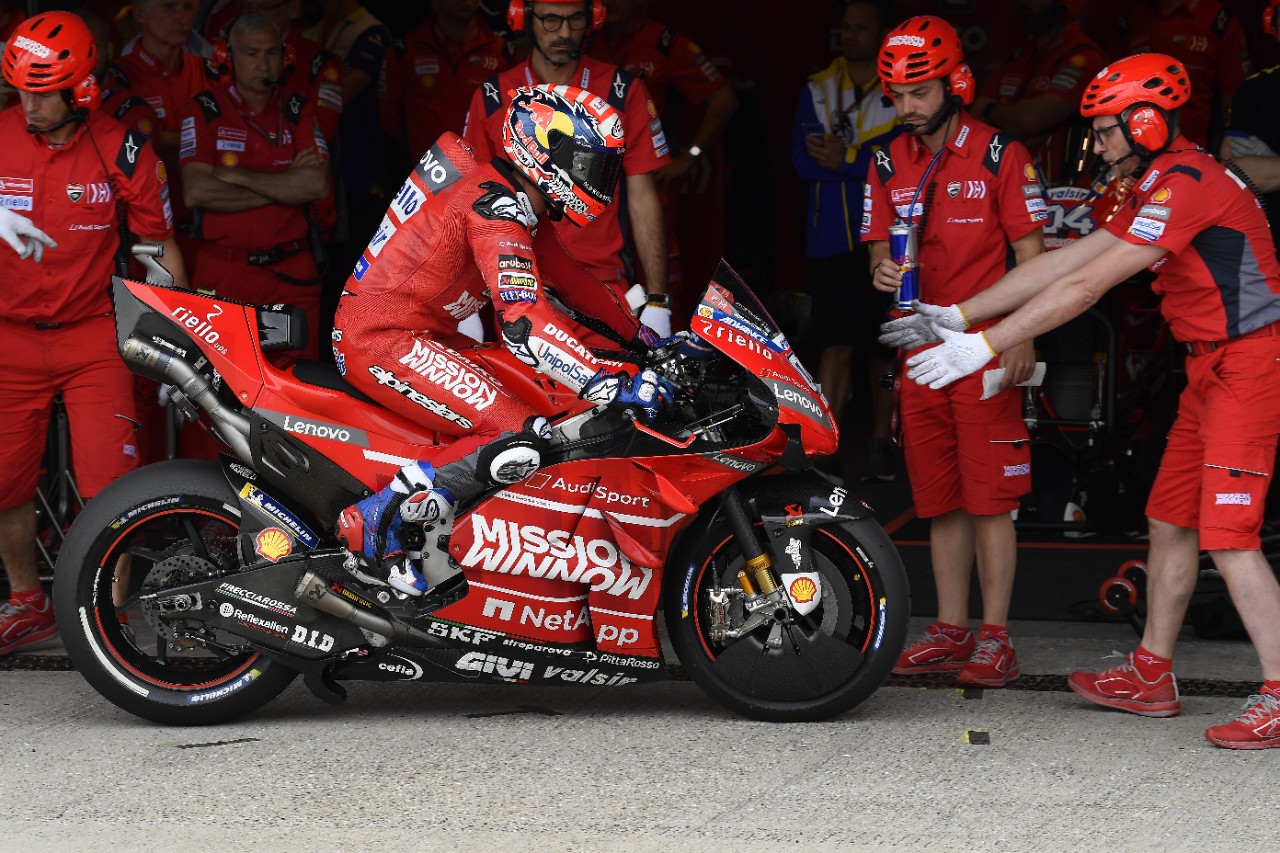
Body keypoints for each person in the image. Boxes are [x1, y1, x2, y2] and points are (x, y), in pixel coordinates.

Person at [893, 53, 1280, 749]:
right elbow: (1063, 260)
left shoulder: (1185, 182)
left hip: (1248, 366)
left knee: (1231, 538)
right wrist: (957, 313)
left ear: (1145, 123)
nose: (1096, 148)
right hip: (1211, 368)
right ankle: (1151, 675)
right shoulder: (1158, 178)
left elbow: (1086, 287)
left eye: (1104, 133)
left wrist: (984, 346)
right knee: (1169, 522)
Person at [333, 84, 686, 598]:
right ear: (546, 152)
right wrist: (604, 383)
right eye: (592, 166)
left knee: (548, 405)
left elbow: (574, 282)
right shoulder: (494, 204)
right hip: (383, 339)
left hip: (419, 334)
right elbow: (526, 326)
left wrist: (646, 341)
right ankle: (375, 524)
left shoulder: (513, 196)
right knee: (522, 437)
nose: (601, 181)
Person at [866, 16, 1047, 688]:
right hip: (920, 350)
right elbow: (880, 247)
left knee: (990, 497)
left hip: (986, 346)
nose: (906, 107)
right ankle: (949, 629)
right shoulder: (885, 160)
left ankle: (996, 636)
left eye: (919, 92)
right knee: (941, 499)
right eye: (897, 94)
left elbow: (1034, 255)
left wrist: (1023, 333)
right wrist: (882, 268)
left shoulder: (1003, 154)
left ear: (955, 82)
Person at [0, 11, 187, 655]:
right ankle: (28, 603)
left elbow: (157, 249)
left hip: (91, 337)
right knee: (4, 479)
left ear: (81, 90)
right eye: (20, 88)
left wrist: (174, 339)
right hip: (9, 338)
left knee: (111, 486)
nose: (28, 104)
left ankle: (105, 616)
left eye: (41, 91)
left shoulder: (123, 149)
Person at [463, 0, 673, 338]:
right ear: (523, 19)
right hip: (517, 287)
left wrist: (659, 301)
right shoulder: (491, 97)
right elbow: (469, 202)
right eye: (550, 20)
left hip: (603, 290)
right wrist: (465, 303)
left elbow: (643, 198)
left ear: (593, 19)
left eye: (575, 19)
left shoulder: (622, 90)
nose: (564, 32)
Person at [180, 13, 332, 361]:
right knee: (221, 385)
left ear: (286, 58)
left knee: (299, 391)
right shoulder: (205, 108)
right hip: (226, 271)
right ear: (226, 57)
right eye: (251, 53)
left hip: (292, 272)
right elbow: (197, 191)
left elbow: (316, 184)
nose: (263, 64)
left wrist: (238, 175)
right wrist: (285, 183)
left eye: (271, 53)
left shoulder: (298, 109)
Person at [792, 0, 898, 485]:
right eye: (847, 26)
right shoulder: (818, 87)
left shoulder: (900, 88)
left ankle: (882, 441)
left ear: (882, 32)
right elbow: (803, 159)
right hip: (830, 235)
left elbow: (898, 156)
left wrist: (848, 156)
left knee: (884, 346)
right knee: (834, 343)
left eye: (862, 26)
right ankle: (826, 447)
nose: (851, 33)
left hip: (885, 237)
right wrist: (859, 160)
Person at [590, 0, 739, 326]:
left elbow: (724, 98)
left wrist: (690, 156)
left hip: (648, 186)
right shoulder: (583, 39)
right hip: (590, 190)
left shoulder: (666, 43)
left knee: (660, 293)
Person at [968, 0, 1105, 187]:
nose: (1026, 3)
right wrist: (1013, 124)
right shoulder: (1016, 56)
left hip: (1060, 189)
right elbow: (975, 119)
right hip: (1004, 179)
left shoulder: (1084, 58)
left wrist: (992, 111)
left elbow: (1031, 120)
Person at [382, 0, 512, 164]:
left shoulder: (504, 53)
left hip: (486, 173)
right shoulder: (404, 53)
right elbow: (389, 120)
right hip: (424, 173)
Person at [1111, 0, 1248, 151]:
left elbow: (1234, 98)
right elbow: (1112, 91)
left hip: (1191, 151)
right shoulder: (1129, 20)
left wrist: (1223, 155)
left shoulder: (1219, 20)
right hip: (1134, 152)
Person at [1220, 0, 1280, 246]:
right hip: (1269, 253)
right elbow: (1233, 174)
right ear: (1271, 22)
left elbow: (1256, 172)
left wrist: (1270, 165)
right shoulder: (1255, 89)